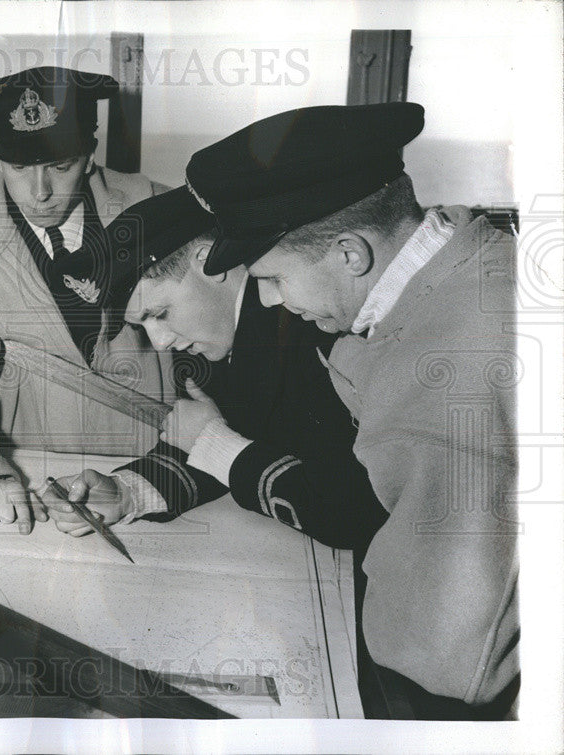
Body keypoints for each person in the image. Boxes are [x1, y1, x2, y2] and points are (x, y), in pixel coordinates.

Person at [168, 102, 518, 716]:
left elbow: (448, 663)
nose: (271, 302)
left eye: (272, 278)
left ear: (350, 253)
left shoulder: (441, 379)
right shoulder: (470, 252)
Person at [0, 67, 174, 534]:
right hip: (23, 473)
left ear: (89, 155)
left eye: (61, 167)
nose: (39, 193)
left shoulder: (158, 211)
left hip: (151, 469)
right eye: (19, 168)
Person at [43, 187, 387, 552]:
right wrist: (127, 493)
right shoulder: (209, 329)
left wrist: (212, 443)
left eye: (158, 314)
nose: (158, 341)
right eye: (143, 326)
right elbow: (218, 434)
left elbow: (354, 512)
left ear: (207, 262)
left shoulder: (316, 319)